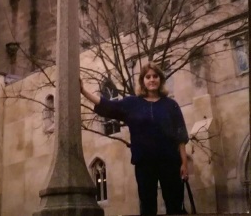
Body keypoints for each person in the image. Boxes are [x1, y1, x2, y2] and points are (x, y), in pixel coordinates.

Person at [80, 62, 189, 215]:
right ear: (143, 81)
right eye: (148, 77)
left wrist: (184, 163)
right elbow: (108, 105)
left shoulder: (171, 105)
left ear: (160, 80)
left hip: (169, 162)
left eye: (155, 76)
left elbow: (181, 136)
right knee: (147, 205)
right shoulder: (132, 104)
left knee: (174, 204)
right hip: (145, 163)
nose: (152, 80)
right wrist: (83, 91)